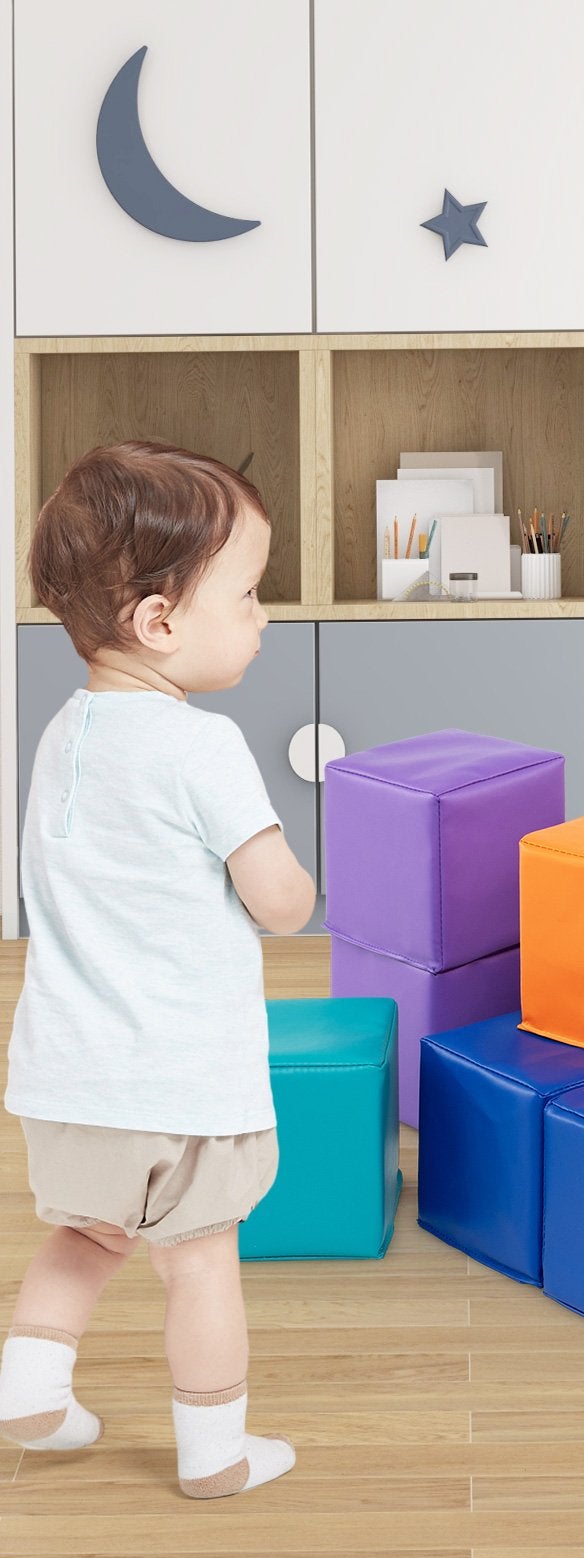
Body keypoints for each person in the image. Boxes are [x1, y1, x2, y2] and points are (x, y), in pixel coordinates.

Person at [0, 440, 316, 1498]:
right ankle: (216, 1452)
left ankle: (31, 1388)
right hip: (182, 1082)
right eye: (250, 594)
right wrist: (303, 884)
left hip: (67, 1078)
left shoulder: (63, 735)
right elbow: (279, 901)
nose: (263, 617)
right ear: (160, 623)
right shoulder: (202, 746)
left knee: (88, 1236)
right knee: (200, 1260)